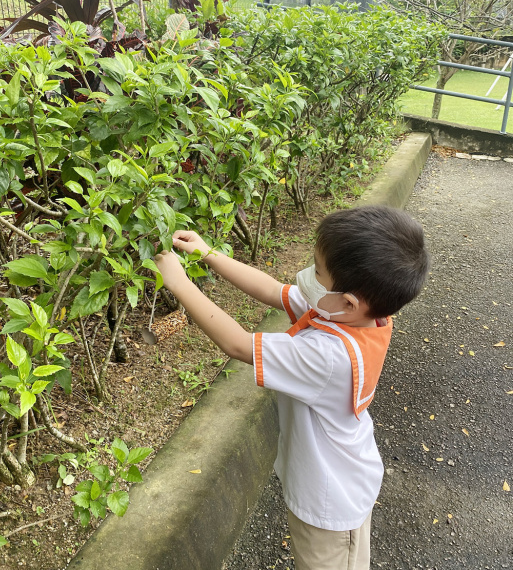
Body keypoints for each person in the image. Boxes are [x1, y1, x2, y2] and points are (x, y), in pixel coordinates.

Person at [154, 205, 430, 570]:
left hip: (329, 504)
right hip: (342, 475)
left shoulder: (328, 356)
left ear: (349, 302)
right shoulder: (358, 315)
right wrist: (208, 254)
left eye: (318, 272)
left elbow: (238, 344)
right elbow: (271, 290)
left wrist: (178, 283)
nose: (307, 277)